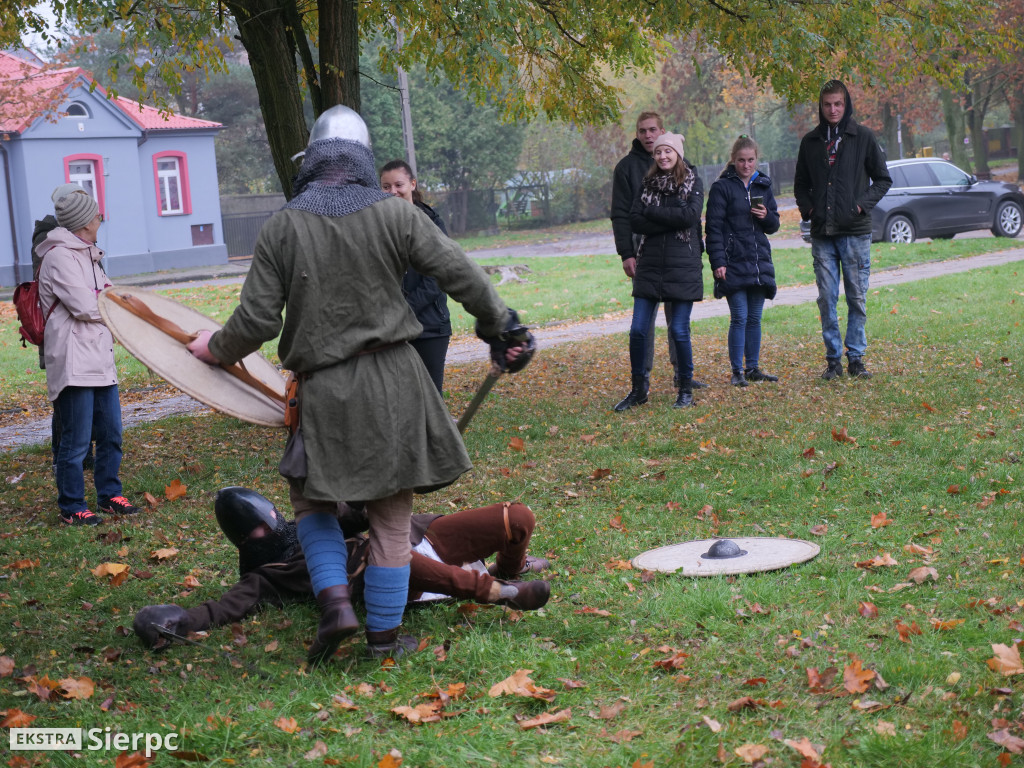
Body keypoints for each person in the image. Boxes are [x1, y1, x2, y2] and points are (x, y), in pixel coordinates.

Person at [186, 106, 535, 663]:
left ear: (313, 159)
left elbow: (255, 322)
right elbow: (462, 273)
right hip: (393, 382)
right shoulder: (396, 214)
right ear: (362, 161)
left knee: (315, 508)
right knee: (391, 519)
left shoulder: (282, 226)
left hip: (322, 391)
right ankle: (383, 642)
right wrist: (502, 326)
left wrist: (213, 348)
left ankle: (337, 606)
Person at [132, 488, 551, 655]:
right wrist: (181, 621)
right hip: (389, 571)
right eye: (260, 528)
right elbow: (227, 606)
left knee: (517, 516)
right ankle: (500, 593)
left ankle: (508, 572)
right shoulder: (265, 575)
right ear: (246, 541)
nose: (272, 526)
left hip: (422, 535)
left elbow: (358, 511)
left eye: (272, 516)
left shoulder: (312, 519)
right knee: (383, 553)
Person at [36, 187, 141, 526]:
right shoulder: (59, 257)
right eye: (96, 215)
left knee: (111, 434)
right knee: (77, 440)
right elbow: (85, 306)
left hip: (99, 359)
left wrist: (119, 302)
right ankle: (72, 506)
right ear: (83, 222)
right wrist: (109, 302)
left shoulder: (88, 253)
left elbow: (109, 295)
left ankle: (109, 495)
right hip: (73, 361)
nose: (101, 218)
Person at [794, 79, 892, 380]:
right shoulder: (810, 142)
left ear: (845, 103)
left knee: (856, 297)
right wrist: (809, 209)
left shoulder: (862, 136)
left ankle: (857, 358)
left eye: (838, 103)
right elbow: (800, 184)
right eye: (827, 104)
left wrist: (860, 205)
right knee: (826, 297)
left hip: (855, 231)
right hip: (823, 233)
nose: (833, 109)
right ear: (820, 107)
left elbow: (883, 179)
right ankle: (833, 360)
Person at [612, 112, 706, 403]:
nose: (661, 153)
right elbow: (632, 219)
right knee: (639, 329)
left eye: (667, 148)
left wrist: (656, 215)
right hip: (648, 262)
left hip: (681, 263)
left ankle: (685, 386)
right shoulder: (639, 176)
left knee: (679, 329)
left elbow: (690, 217)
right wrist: (627, 251)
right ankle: (639, 389)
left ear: (675, 150)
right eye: (644, 131)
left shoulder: (691, 178)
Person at [706, 136, 780, 387]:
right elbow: (713, 228)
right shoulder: (721, 188)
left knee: (754, 318)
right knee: (739, 316)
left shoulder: (763, 185)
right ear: (733, 160)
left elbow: (774, 226)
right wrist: (718, 262)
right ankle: (737, 371)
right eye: (741, 160)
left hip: (758, 260)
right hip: (732, 262)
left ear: (756, 159)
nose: (746, 165)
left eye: (750, 160)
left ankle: (753, 369)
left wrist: (766, 215)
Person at [379, 159, 452, 394]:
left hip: (429, 328)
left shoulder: (431, 222)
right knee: (399, 399)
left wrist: (404, 309)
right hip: (392, 331)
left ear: (412, 184)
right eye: (386, 187)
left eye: (398, 185)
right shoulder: (376, 226)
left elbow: (440, 277)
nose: (393, 191)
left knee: (431, 398)